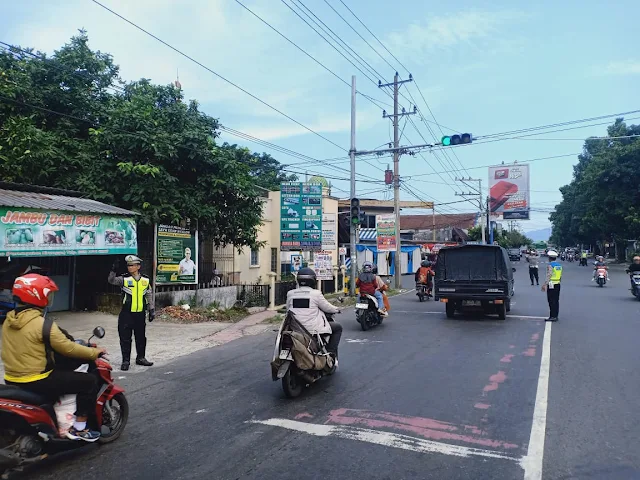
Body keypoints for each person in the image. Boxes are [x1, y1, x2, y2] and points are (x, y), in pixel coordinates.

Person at [1, 274, 106, 441]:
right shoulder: (43, 324)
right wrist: (95, 352)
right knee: (90, 381)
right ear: (36, 295)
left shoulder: (9, 320)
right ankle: (80, 428)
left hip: (11, 378)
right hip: (37, 379)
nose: (50, 298)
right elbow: (69, 348)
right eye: (48, 294)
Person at [108, 255, 154, 371]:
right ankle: (126, 361)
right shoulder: (124, 279)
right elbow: (111, 281)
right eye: (128, 265)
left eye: (132, 265)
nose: (130, 267)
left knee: (141, 337)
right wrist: (113, 270)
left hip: (140, 314)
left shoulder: (145, 280)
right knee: (125, 338)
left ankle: (141, 358)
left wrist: (151, 309)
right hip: (126, 314)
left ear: (138, 266)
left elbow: (149, 294)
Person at [286, 267, 342, 359]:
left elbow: (288, 310)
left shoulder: (290, 293)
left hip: (294, 329)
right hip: (312, 330)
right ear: (313, 281)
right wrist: (337, 309)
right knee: (338, 328)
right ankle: (331, 353)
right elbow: (327, 307)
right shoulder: (316, 293)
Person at [541, 250, 562, 321]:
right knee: (556, 300)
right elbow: (560, 276)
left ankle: (552, 316)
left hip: (551, 284)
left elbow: (549, 275)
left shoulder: (550, 265)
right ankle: (555, 316)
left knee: (551, 300)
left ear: (549, 258)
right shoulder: (559, 265)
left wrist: (544, 284)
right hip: (557, 284)